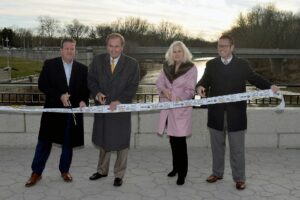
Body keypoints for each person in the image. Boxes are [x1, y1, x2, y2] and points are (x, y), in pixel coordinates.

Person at [196, 35, 279, 190]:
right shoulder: (211, 64)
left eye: (225, 46)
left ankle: (239, 178)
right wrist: (199, 87)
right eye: (219, 46)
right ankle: (217, 173)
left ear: (232, 47)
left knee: (237, 149)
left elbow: (255, 79)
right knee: (217, 147)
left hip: (237, 114)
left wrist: (270, 87)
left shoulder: (242, 64)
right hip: (216, 114)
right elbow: (204, 81)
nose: (221, 48)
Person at [25, 38, 89, 187]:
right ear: (61, 50)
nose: (69, 51)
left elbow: (85, 90)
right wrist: (59, 96)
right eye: (67, 48)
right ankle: (36, 173)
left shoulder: (82, 68)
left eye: (72, 49)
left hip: (71, 112)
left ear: (75, 50)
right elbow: (42, 85)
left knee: (68, 142)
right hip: (52, 111)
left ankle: (64, 170)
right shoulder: (50, 64)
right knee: (44, 142)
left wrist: (82, 100)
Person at [87, 33, 140, 187]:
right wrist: (96, 93)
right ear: (106, 46)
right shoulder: (97, 61)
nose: (114, 49)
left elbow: (133, 85)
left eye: (117, 46)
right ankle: (102, 170)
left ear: (122, 47)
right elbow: (91, 80)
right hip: (103, 107)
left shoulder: (132, 64)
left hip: (120, 109)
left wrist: (120, 100)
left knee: (121, 143)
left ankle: (119, 174)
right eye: (111, 46)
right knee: (104, 140)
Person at [156, 41, 197, 185]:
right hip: (167, 109)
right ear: (170, 53)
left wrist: (181, 99)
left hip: (181, 109)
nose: (177, 53)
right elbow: (159, 83)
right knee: (172, 140)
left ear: (184, 52)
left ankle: (182, 173)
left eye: (179, 51)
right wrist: (164, 90)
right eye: (174, 51)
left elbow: (191, 90)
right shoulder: (166, 66)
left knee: (180, 142)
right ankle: (175, 168)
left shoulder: (191, 68)